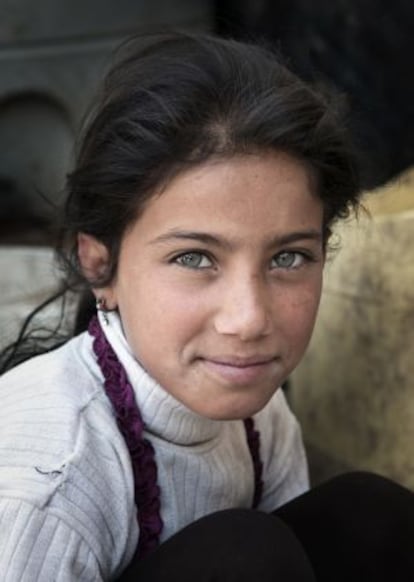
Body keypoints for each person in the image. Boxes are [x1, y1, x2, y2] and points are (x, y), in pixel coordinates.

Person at [1, 31, 414, 582]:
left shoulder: (258, 408)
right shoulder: (48, 487)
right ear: (100, 265)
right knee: (244, 557)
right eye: (194, 258)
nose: (249, 320)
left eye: (288, 257)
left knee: (369, 516)